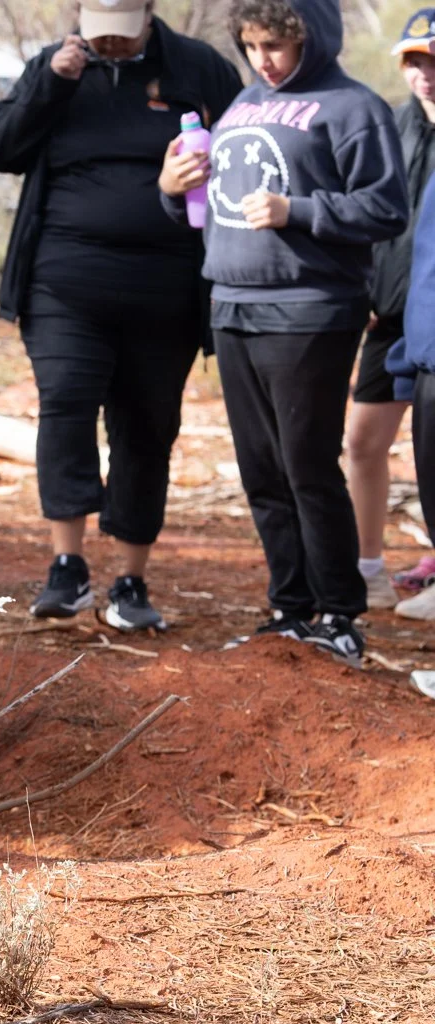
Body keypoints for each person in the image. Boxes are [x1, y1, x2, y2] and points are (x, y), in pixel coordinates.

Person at [0, 0, 242, 632]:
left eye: (123, 36)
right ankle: (66, 568)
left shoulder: (197, 68)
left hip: (167, 286)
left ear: (149, 15)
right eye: (101, 36)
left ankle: (131, 579)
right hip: (64, 286)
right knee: (65, 408)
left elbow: (248, 146)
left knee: (147, 426)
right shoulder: (53, 68)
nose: (112, 48)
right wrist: (52, 83)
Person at [160, 0, 409, 666]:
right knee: (262, 470)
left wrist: (295, 209)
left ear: (311, 38)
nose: (263, 59)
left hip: (311, 306)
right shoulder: (242, 105)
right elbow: (212, 207)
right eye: (251, 46)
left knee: (306, 463)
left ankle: (341, 615)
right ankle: (290, 608)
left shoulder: (353, 107)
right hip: (233, 302)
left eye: (275, 45)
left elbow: (386, 207)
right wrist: (171, 186)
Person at [353, 15, 435, 618]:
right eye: (415, 61)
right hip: (389, 319)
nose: (424, 75)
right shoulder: (388, 126)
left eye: (434, 61)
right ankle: (368, 569)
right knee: (364, 441)